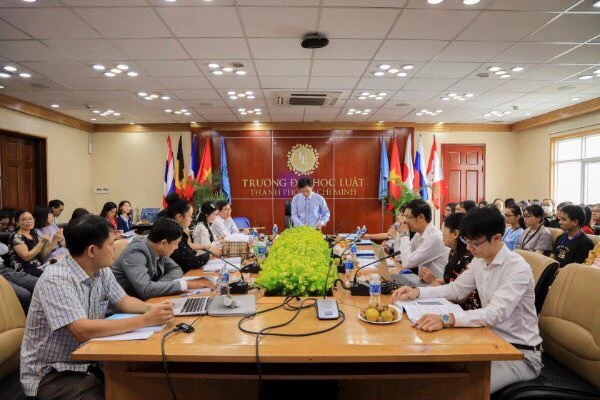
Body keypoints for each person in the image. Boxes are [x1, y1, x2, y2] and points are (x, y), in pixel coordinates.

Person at [20, 214, 174, 400]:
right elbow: (81, 330)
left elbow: (125, 301)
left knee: (146, 383)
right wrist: (145, 320)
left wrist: (154, 309)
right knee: (123, 393)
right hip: (52, 373)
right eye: (110, 244)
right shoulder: (56, 279)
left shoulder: (101, 271)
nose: (114, 249)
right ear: (92, 251)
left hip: (89, 360)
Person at [392, 206, 543, 394]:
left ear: (497, 238)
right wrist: (418, 292)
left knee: (457, 391)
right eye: (466, 241)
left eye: (475, 243)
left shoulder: (517, 269)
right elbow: (456, 289)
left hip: (518, 353)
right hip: (488, 341)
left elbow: (494, 313)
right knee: (426, 369)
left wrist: (446, 319)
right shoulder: (480, 260)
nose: (469, 248)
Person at [112, 218, 215, 300]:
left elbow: (176, 269)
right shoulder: (136, 252)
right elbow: (146, 290)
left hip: (146, 301)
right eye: (176, 244)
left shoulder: (157, 248)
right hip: (122, 311)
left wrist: (157, 286)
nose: (177, 248)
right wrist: (186, 284)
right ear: (164, 243)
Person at [417, 212, 480, 310]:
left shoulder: (467, 258)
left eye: (444, 228)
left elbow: (459, 296)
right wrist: (432, 280)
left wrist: (433, 281)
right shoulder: (454, 252)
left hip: (463, 310)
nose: (442, 232)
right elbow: (453, 281)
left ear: (455, 233)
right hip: (450, 303)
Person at [394, 199, 449, 279]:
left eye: (408, 217)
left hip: (435, 285)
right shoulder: (418, 234)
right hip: (423, 283)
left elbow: (407, 263)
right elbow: (399, 257)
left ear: (421, 217)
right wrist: (399, 233)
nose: (405, 222)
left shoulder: (434, 237)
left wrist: (405, 233)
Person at [164, 193, 210, 273]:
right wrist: (208, 254)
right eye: (190, 216)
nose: (191, 219)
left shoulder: (178, 231)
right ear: (179, 217)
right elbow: (192, 262)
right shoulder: (173, 234)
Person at [8, 209, 53, 277]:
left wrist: (53, 240)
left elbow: (42, 256)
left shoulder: (34, 234)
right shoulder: (16, 236)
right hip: (23, 270)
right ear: (17, 223)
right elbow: (26, 257)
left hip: (38, 267)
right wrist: (41, 242)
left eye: (30, 218)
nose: (29, 221)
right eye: (24, 219)